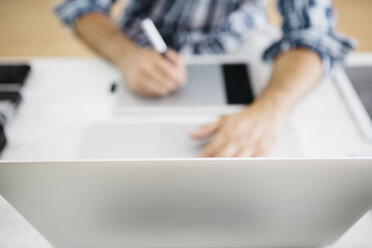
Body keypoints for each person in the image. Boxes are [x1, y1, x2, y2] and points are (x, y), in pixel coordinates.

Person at [55, 0, 356, 157]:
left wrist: (270, 109)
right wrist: (125, 55)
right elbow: (81, 6)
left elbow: (315, 34)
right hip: (137, 44)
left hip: (243, 44)